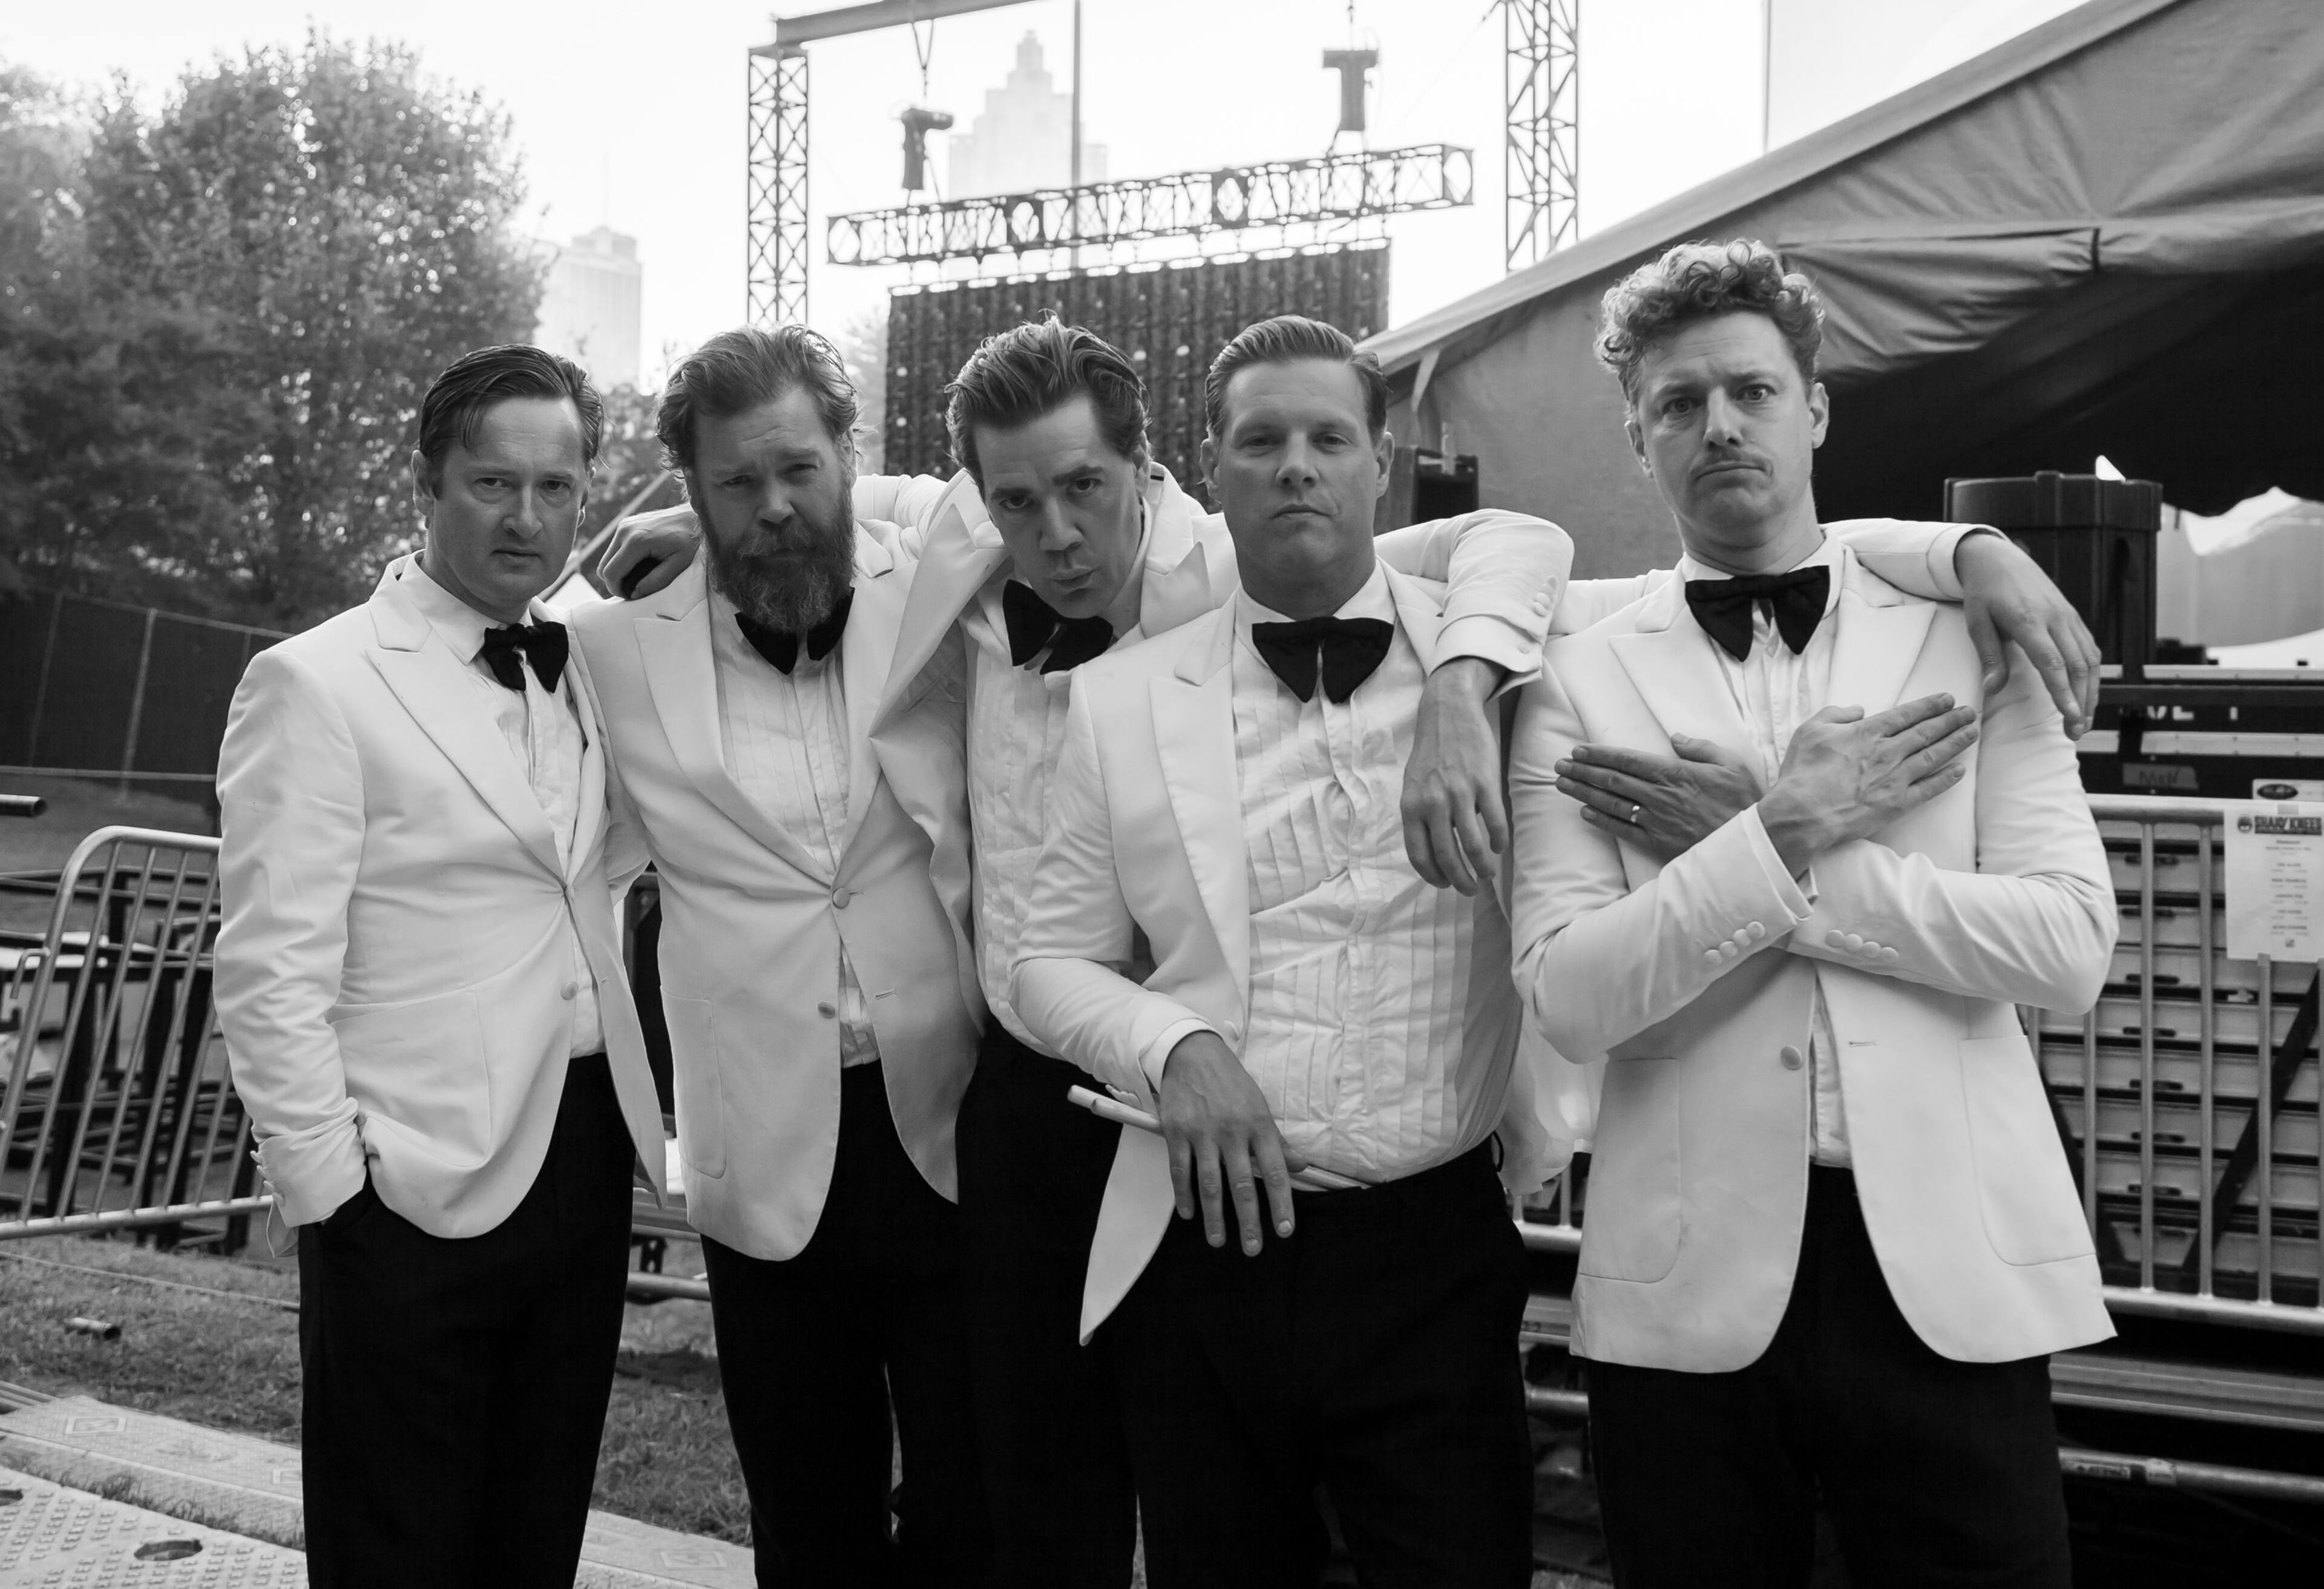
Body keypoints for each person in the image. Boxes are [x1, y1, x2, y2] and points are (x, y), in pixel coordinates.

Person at [605, 313, 2099, 1588]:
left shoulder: (1503, 638)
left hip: (1432, 1238)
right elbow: (1029, 933)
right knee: (1034, 1518)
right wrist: (1175, 1049)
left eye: (1327, 440)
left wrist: (1967, 547)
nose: (1053, 530)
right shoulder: (1061, 645)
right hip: (1148, 1190)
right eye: (1019, 501)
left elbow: (1637, 542)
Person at [1508, 240, 2117, 1588]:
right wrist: (1781, 827)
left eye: (1751, 391)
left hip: (1948, 1273)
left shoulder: (1966, 630)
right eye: (1678, 404)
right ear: (1637, 439)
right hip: (1688, 1293)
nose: (1718, 425)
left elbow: (2069, 946)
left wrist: (1769, 859)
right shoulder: (1572, 675)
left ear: (1816, 407)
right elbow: (1569, 992)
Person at [213, 344, 669, 1589]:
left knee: (534, 1539)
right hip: (401, 1183)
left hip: (580, 1161)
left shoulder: (585, 660)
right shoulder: (314, 680)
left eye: (558, 487)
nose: (528, 516)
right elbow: (267, 971)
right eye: (492, 482)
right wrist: (334, 1195)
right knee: (397, 1551)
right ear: (424, 485)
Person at [566, 325, 986, 1587]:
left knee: (982, 1511)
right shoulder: (612, 653)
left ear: (854, 455)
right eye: (736, 485)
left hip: (959, 1125)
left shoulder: (945, 585)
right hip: (764, 1155)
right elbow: (452, 619)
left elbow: (1069, 479)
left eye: (801, 468)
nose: (777, 507)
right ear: (687, 491)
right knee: (810, 1528)